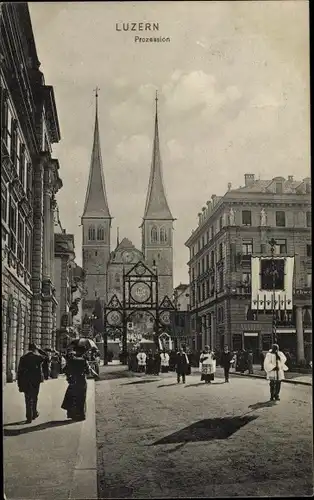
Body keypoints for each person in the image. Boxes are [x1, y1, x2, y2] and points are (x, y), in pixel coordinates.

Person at [61, 346, 98, 421]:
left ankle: (72, 414)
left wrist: (69, 376)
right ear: (83, 352)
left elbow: (64, 369)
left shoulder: (71, 360)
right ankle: (80, 415)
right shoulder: (84, 360)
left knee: (72, 397)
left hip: (73, 380)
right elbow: (87, 372)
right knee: (81, 397)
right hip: (81, 380)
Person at [17, 342, 46, 423]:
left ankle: (29, 416)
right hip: (36, 380)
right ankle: (34, 413)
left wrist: (19, 383)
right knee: (34, 397)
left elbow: (19, 371)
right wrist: (39, 350)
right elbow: (46, 357)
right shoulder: (38, 357)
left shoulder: (23, 358)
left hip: (26, 380)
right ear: (34, 348)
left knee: (27, 398)